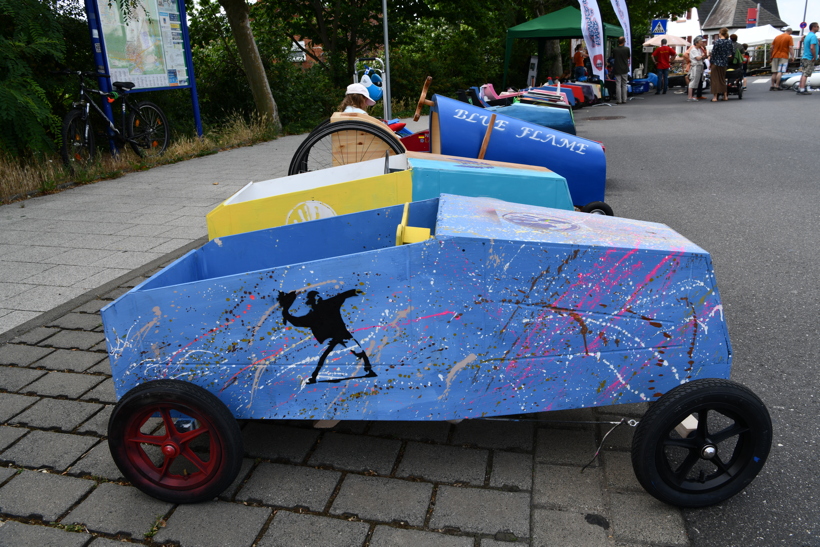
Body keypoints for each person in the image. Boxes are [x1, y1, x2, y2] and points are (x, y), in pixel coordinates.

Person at [277, 289, 376, 385]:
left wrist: (353, 292)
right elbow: (297, 322)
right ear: (312, 300)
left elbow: (341, 296)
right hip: (336, 337)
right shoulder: (314, 315)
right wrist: (286, 314)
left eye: (318, 296)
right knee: (328, 356)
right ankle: (314, 377)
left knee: (358, 352)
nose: (319, 298)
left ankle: (314, 377)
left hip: (342, 335)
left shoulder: (327, 305)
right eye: (316, 297)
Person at [710, 28, 734, 101]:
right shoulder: (729, 42)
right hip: (724, 63)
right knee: (722, 79)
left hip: (716, 62)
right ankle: (725, 96)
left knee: (715, 80)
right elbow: (731, 52)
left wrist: (711, 62)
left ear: (720, 33)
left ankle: (715, 97)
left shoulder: (717, 42)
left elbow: (713, 53)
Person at [797, 22, 819, 95]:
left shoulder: (808, 36)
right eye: (817, 26)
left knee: (804, 73)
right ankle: (802, 89)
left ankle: (800, 87)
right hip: (810, 57)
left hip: (805, 56)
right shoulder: (813, 36)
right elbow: (812, 47)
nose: (818, 28)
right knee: (806, 74)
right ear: (813, 27)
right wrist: (814, 56)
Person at [687, 36, 707, 102]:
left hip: (699, 66)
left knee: (696, 81)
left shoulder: (698, 49)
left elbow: (700, 58)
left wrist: (703, 56)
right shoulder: (693, 49)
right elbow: (697, 58)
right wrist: (702, 55)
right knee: (693, 80)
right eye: (701, 41)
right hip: (695, 66)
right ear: (697, 42)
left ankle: (691, 96)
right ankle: (690, 96)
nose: (702, 43)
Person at [612, 37, 631, 104]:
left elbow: (613, 57)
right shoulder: (627, 49)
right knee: (624, 84)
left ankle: (619, 100)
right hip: (625, 68)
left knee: (618, 84)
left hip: (617, 68)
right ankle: (624, 99)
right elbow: (628, 57)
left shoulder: (615, 49)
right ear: (624, 42)